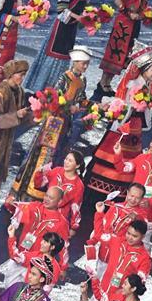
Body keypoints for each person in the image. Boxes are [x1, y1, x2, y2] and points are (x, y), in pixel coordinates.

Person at [13, 50, 91, 201]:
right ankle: (30, 188)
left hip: (66, 123)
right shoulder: (64, 77)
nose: (85, 67)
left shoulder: (83, 80)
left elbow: (82, 99)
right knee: (45, 152)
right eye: (83, 63)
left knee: (58, 153)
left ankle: (45, 189)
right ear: (75, 62)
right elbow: (54, 98)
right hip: (55, 121)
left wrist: (89, 106)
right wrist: (69, 107)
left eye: (87, 64)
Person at [86, 46, 152, 197]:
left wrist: (150, 104)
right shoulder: (132, 85)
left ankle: (120, 191)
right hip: (124, 127)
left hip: (135, 128)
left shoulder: (146, 87)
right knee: (113, 155)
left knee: (129, 158)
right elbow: (124, 106)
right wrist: (135, 106)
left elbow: (146, 109)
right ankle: (98, 191)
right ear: (144, 70)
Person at [25, 0, 95, 93]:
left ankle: (57, 90)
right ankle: (41, 89)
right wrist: (77, 17)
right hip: (61, 27)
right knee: (55, 55)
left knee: (65, 55)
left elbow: (86, 4)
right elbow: (61, 7)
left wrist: (89, 15)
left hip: (72, 27)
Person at [93, 0, 152, 98]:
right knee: (115, 53)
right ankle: (103, 82)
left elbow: (143, 2)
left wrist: (147, 13)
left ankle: (108, 83)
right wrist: (129, 13)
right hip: (124, 24)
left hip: (136, 24)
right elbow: (118, 0)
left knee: (126, 54)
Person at [0, 59, 31, 199]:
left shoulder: (20, 91)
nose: (22, 78)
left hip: (7, 136)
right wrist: (16, 115)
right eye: (20, 75)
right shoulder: (0, 93)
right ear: (11, 74)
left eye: (23, 75)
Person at [112, 133, 152, 225]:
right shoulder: (141, 158)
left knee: (141, 239)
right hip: (129, 209)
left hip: (148, 215)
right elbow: (123, 168)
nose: (151, 145)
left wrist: (150, 202)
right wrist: (118, 154)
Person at [21, 149, 85, 235]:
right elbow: (38, 185)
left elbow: (76, 207)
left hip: (57, 220)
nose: (66, 162)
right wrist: (40, 173)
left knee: (44, 244)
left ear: (77, 165)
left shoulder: (78, 186)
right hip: (42, 213)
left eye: (70, 161)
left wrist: (73, 227)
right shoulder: (57, 171)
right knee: (29, 238)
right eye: (66, 159)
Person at [9, 187, 70, 260]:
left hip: (38, 262)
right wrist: (10, 202)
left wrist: (62, 268)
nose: (46, 199)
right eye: (46, 195)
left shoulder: (61, 223)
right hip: (21, 253)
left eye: (51, 198)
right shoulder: (34, 206)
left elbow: (64, 249)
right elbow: (15, 207)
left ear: (59, 201)